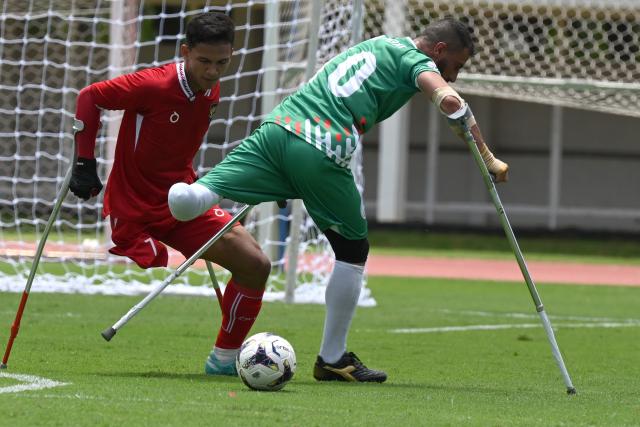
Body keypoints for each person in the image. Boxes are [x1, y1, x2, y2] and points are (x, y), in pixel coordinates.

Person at [168, 17, 509, 383]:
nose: (453, 75)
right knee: (353, 250)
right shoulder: (418, 61)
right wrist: (487, 156)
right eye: (455, 65)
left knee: (203, 192)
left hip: (278, 128)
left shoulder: (378, 43)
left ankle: (184, 197)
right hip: (322, 147)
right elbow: (449, 99)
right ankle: (332, 358)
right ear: (439, 50)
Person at [69, 12, 271, 376]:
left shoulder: (212, 88)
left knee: (256, 265)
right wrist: (84, 162)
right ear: (185, 51)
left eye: (222, 63)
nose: (212, 71)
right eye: (204, 62)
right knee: (156, 255)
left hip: (182, 200)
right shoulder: (154, 85)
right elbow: (90, 97)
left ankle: (223, 361)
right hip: (136, 205)